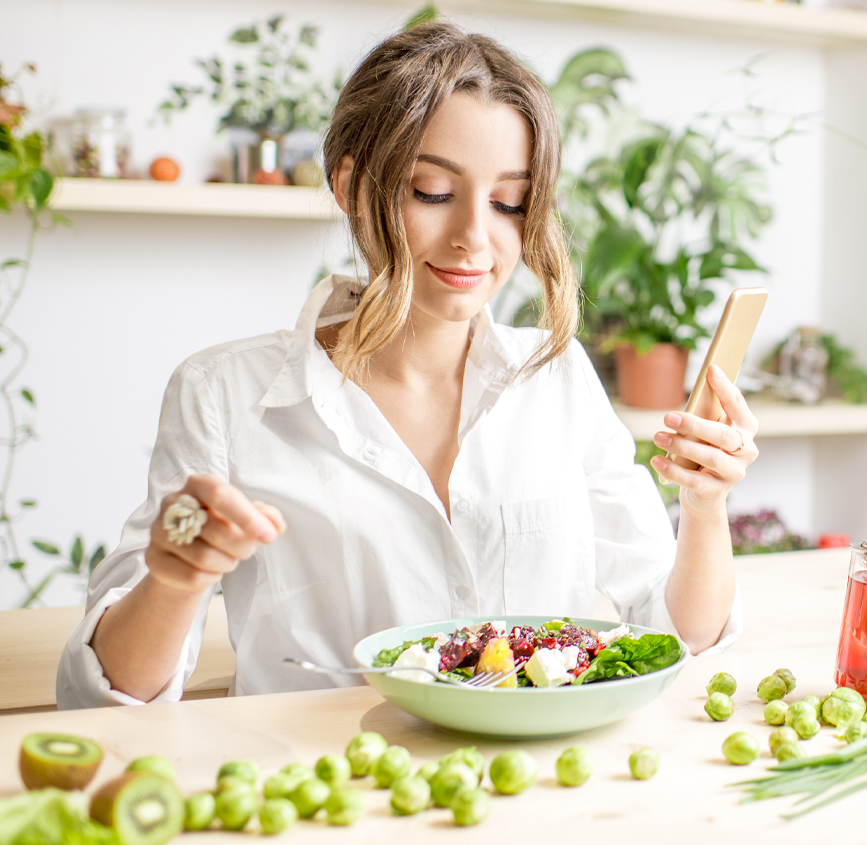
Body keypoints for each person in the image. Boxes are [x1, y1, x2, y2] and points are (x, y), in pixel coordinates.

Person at [57, 23, 757, 709]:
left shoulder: (556, 375)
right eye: (432, 191)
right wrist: (176, 579)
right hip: (331, 794)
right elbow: (105, 697)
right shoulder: (224, 394)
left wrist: (704, 506)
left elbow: (679, 636)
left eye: (510, 202)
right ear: (353, 186)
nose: (474, 239)